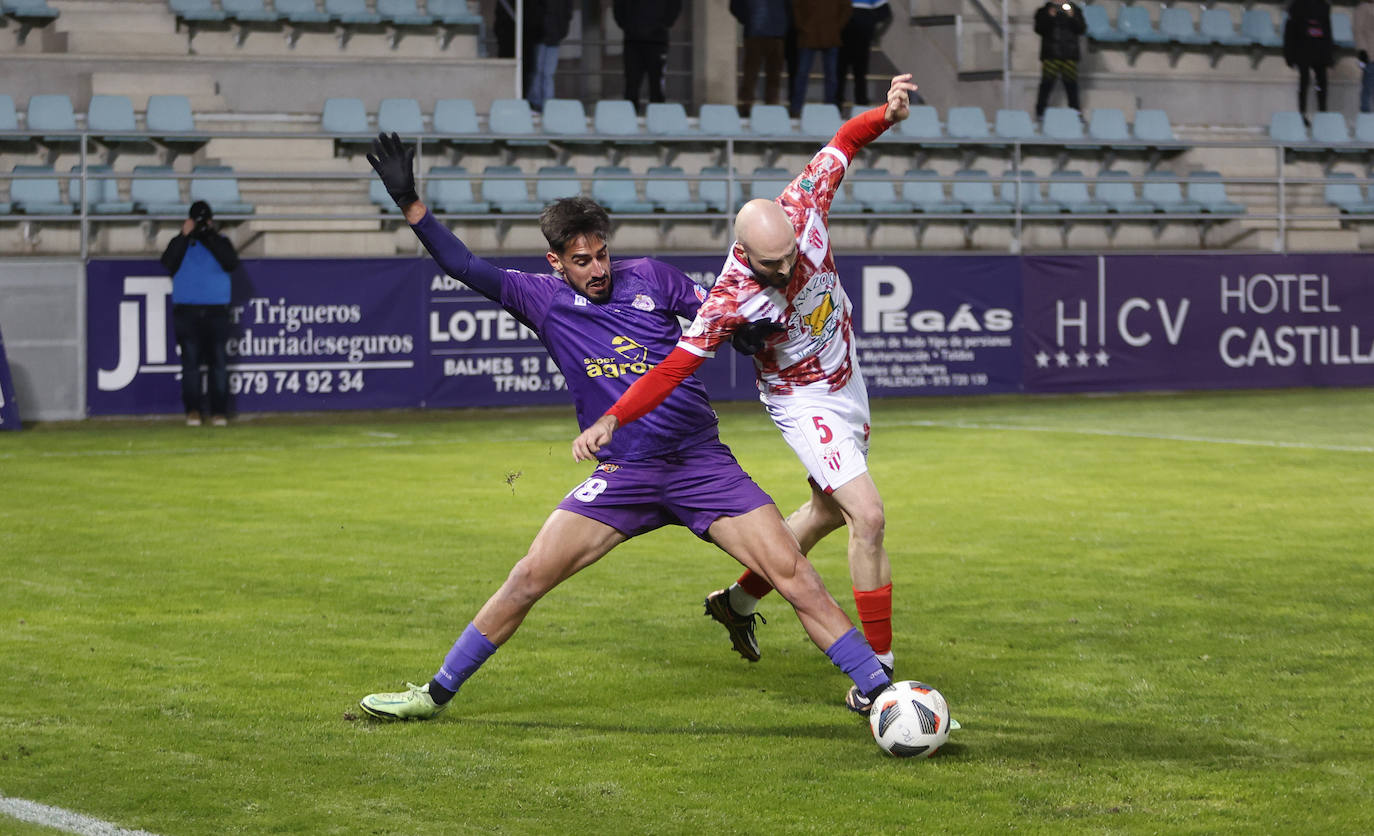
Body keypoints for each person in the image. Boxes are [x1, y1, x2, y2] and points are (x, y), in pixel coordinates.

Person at [357, 133, 893, 722]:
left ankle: (879, 690)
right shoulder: (538, 299)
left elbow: (715, 315)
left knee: (794, 575)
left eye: (602, 254)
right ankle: (434, 694)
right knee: (528, 576)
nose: (598, 268)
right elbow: (462, 265)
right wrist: (411, 203)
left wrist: (746, 332)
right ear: (556, 262)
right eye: (582, 260)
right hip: (624, 476)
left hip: (700, 465)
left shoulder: (653, 278)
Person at [573, 74, 919, 714]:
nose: (787, 271)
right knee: (867, 517)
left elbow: (844, 139)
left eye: (790, 257)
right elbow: (674, 368)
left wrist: (888, 114)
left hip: (848, 380)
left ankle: (735, 602)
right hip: (801, 397)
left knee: (822, 512)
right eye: (773, 266)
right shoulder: (731, 297)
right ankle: (881, 676)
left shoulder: (804, 204)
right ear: (743, 252)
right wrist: (614, 419)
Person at [160, 200, 238, 428]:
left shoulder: (220, 242)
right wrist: (184, 236)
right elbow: (168, 263)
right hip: (187, 311)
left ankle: (219, 412)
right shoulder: (181, 243)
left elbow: (230, 262)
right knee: (190, 364)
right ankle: (192, 411)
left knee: (218, 363)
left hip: (216, 311)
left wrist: (210, 236)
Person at [613, 0, 683, 110]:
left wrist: (663, 25)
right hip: (632, 42)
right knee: (631, 86)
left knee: (656, 86)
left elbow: (674, 6)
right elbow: (618, 7)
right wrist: (628, 27)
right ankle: (631, 120)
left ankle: (658, 120)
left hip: (657, 42)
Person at [790, 0, 852, 116]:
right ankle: (796, 108)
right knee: (802, 74)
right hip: (808, 34)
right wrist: (802, 26)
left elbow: (846, 9)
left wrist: (836, 27)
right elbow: (796, 7)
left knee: (831, 75)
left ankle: (830, 108)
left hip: (830, 35)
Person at [732, 0, 791, 113]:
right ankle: (748, 104)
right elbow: (735, 6)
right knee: (753, 73)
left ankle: (769, 104)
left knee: (770, 73)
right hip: (759, 33)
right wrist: (748, 19)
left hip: (772, 33)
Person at [1033, 1, 1085, 122]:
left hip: (1069, 54)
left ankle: (1075, 112)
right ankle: (1040, 112)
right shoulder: (1043, 11)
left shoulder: (1075, 10)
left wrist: (1072, 15)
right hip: (1051, 54)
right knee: (1046, 84)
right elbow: (1039, 29)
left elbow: (1081, 29)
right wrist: (1049, 16)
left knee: (1071, 85)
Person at [837, 0, 893, 109]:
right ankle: (860, 101)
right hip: (858, 32)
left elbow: (885, 11)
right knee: (857, 71)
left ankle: (840, 101)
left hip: (847, 31)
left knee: (844, 70)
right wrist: (870, 23)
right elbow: (885, 12)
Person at [1284, 0, 1334, 124]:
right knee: (1304, 82)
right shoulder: (1296, 6)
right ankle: (1302, 114)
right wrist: (1289, 55)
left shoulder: (1324, 6)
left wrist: (1329, 55)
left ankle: (1323, 113)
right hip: (1303, 49)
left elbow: (1327, 31)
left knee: (1322, 83)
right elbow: (1290, 31)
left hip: (1319, 50)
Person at [526, 0, 573, 112]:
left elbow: (567, 13)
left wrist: (561, 31)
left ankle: (547, 102)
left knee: (547, 72)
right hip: (540, 36)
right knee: (538, 70)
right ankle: (536, 101)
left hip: (552, 37)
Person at [1353, 0, 1373, 113]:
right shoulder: (1362, 8)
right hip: (1370, 54)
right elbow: (1358, 30)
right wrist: (1362, 49)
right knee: (1368, 87)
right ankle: (1366, 115)